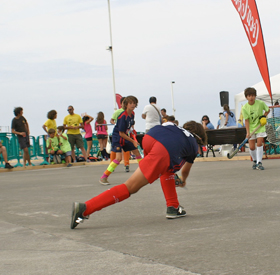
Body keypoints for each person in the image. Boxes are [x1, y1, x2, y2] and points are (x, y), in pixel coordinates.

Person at [70, 121, 207, 229]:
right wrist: (183, 180)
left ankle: (173, 207)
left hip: (149, 138)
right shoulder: (193, 143)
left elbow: (161, 129)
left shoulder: (174, 126)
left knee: (167, 169)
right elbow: (185, 170)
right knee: (131, 187)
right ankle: (85, 208)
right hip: (163, 150)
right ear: (200, 136)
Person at [100, 96, 142, 185]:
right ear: (126, 105)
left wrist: (133, 137)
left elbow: (128, 129)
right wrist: (133, 141)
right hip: (118, 137)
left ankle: (145, 172)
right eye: (130, 103)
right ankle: (104, 177)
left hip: (125, 136)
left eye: (134, 103)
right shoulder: (123, 116)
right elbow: (121, 133)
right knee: (118, 159)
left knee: (137, 152)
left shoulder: (132, 114)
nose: (133, 105)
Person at [241, 87, 270, 170]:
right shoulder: (244, 108)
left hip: (260, 126)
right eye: (249, 96)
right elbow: (246, 120)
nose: (251, 97)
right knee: (251, 147)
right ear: (246, 97)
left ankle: (259, 162)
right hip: (251, 128)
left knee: (260, 143)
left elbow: (268, 110)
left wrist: (264, 116)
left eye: (253, 96)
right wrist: (247, 132)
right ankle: (255, 160)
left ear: (255, 96)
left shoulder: (260, 103)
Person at [110, 97, 131, 172]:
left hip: (125, 133)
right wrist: (116, 124)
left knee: (126, 150)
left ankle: (127, 164)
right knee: (115, 151)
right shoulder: (118, 112)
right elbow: (111, 120)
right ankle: (111, 166)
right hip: (118, 134)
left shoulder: (129, 112)